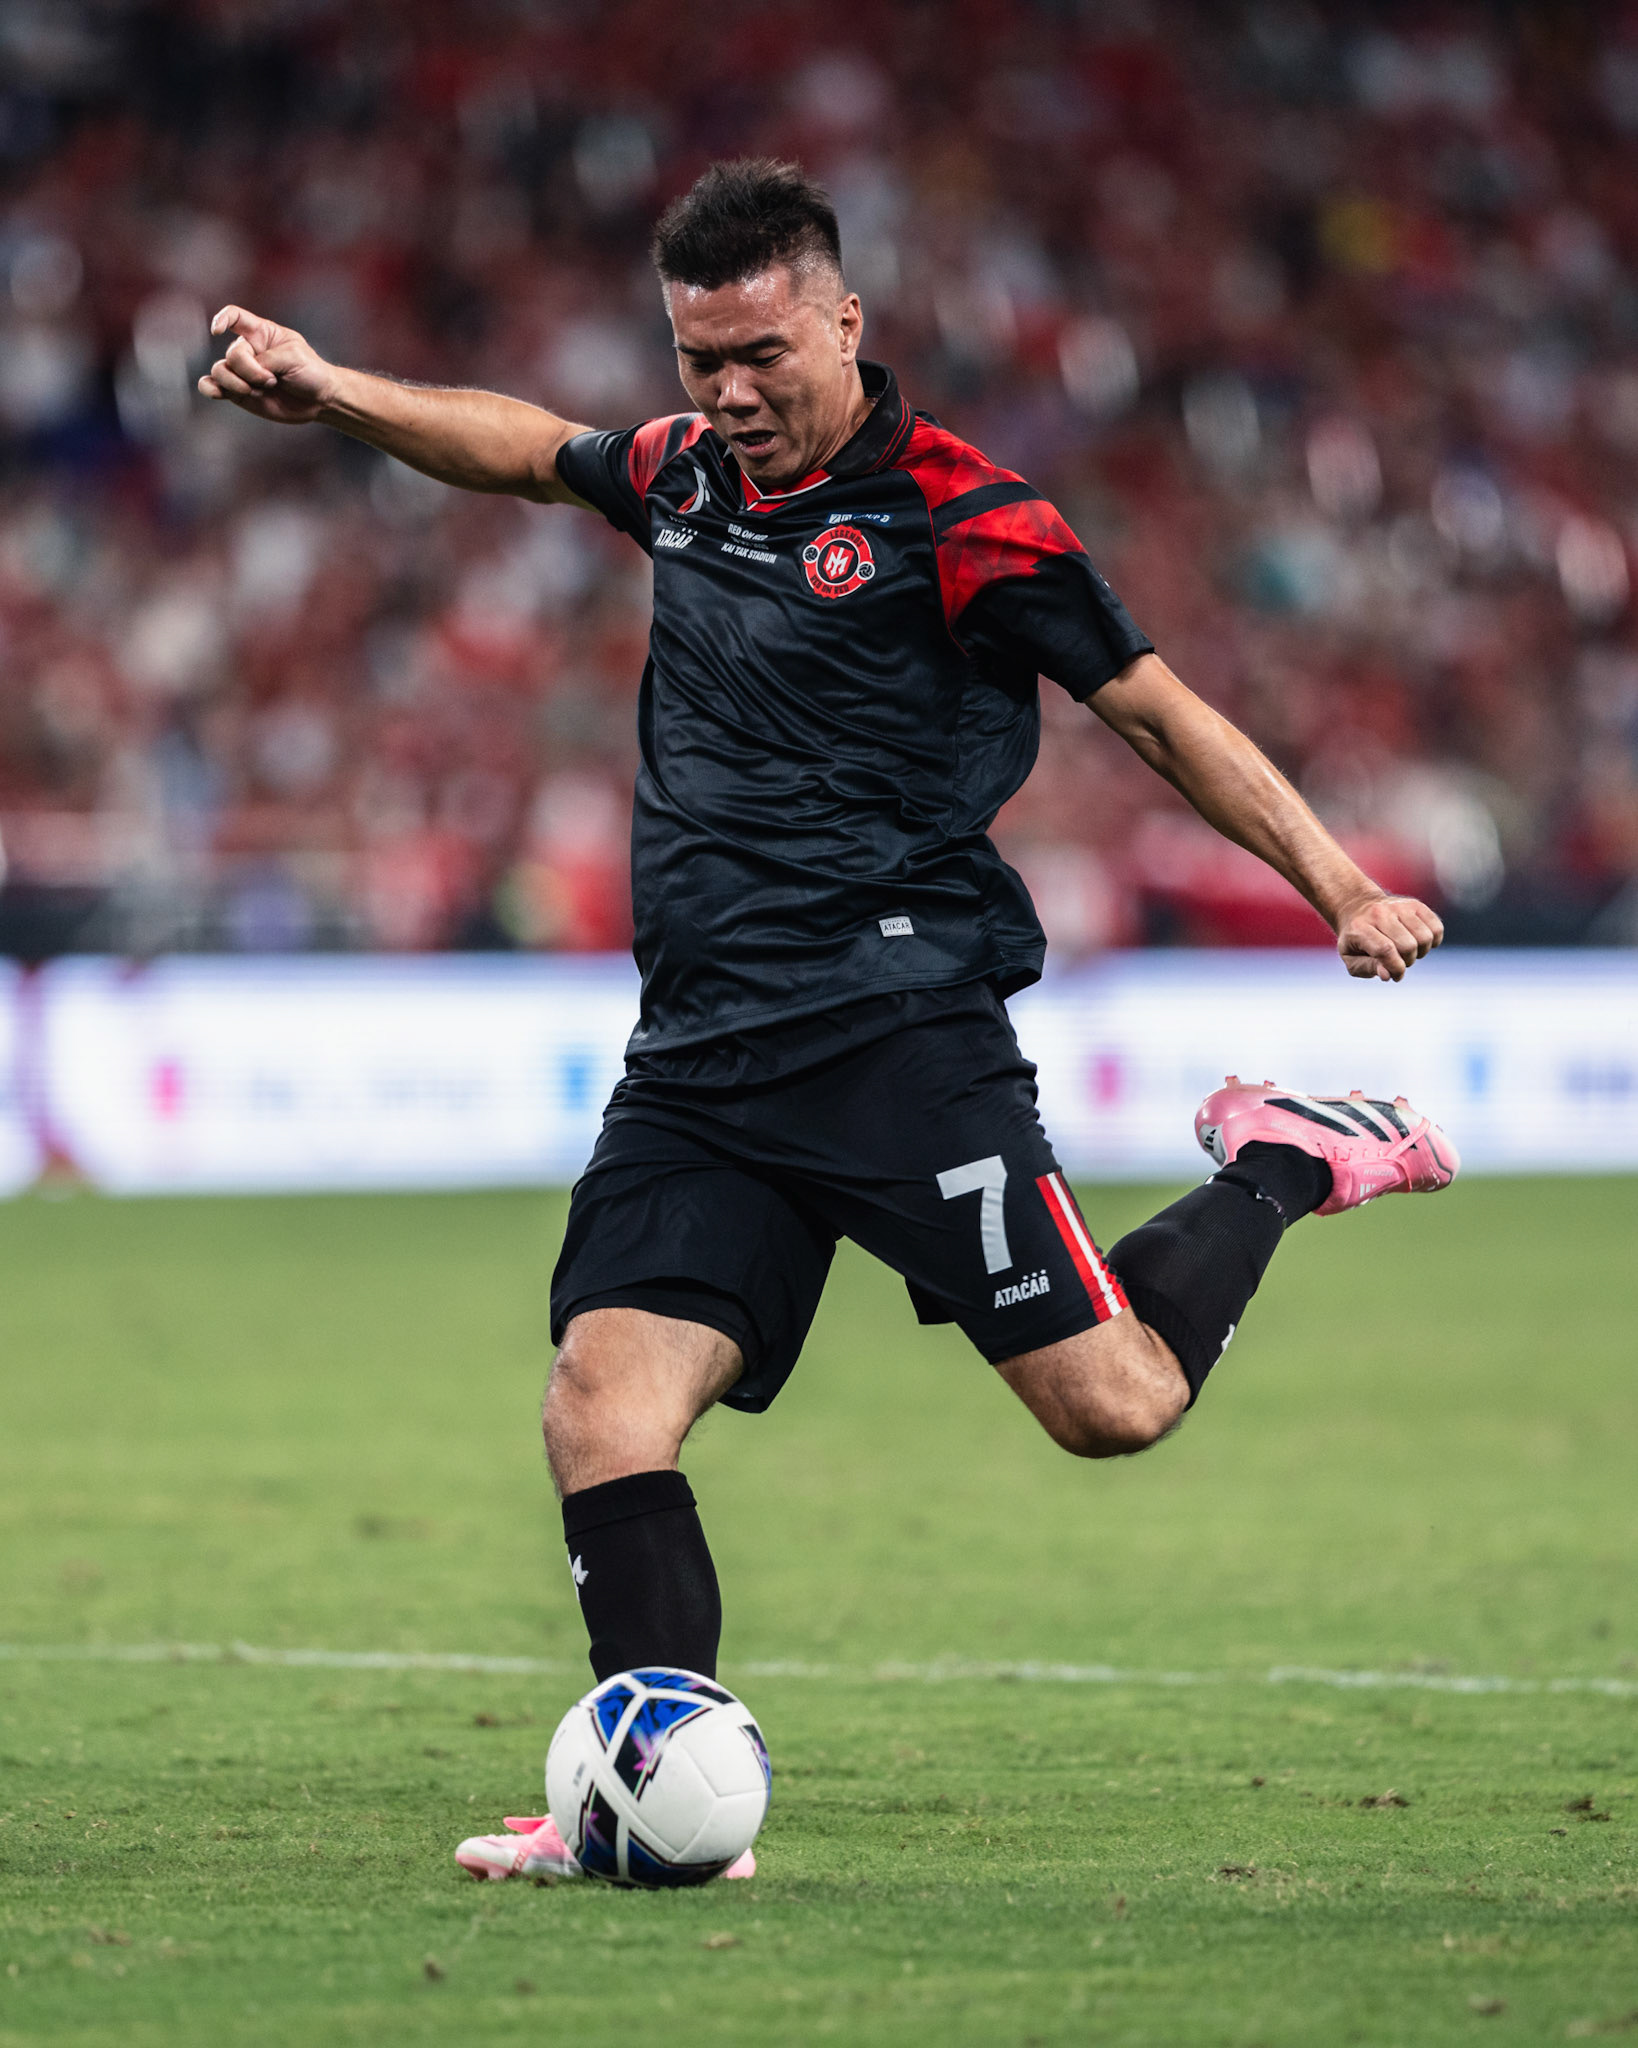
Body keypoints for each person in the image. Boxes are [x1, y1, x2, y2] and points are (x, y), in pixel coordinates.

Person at [200, 157, 1456, 1886]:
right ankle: (645, 1803)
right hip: (702, 1053)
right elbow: (527, 450)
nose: (727, 395)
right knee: (599, 1407)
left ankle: (1282, 1165)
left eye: (763, 356)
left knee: (1112, 1406)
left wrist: (1336, 885)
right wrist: (335, 391)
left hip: (891, 1027)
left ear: (845, 323)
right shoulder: (685, 473)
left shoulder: (966, 514)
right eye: (698, 358)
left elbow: (1157, 715)